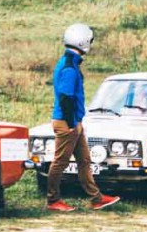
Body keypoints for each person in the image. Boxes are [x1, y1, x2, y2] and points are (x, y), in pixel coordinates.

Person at [46, 23, 121, 213]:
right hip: (67, 123)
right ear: (83, 42)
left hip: (73, 122)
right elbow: (66, 97)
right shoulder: (70, 67)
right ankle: (53, 199)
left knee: (84, 161)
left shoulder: (68, 63)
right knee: (60, 162)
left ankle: (96, 198)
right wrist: (72, 124)